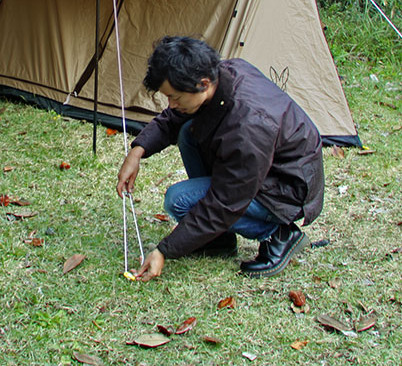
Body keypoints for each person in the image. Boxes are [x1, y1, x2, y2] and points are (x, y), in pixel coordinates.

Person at [116, 36, 324, 281]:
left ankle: (278, 234)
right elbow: (172, 119)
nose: (171, 105)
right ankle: (218, 238)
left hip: (286, 188)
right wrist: (137, 151)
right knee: (188, 131)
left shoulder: (248, 126)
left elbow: (224, 204)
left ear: (203, 84)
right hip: (261, 167)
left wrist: (165, 250)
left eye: (175, 97)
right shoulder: (220, 76)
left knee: (179, 200)